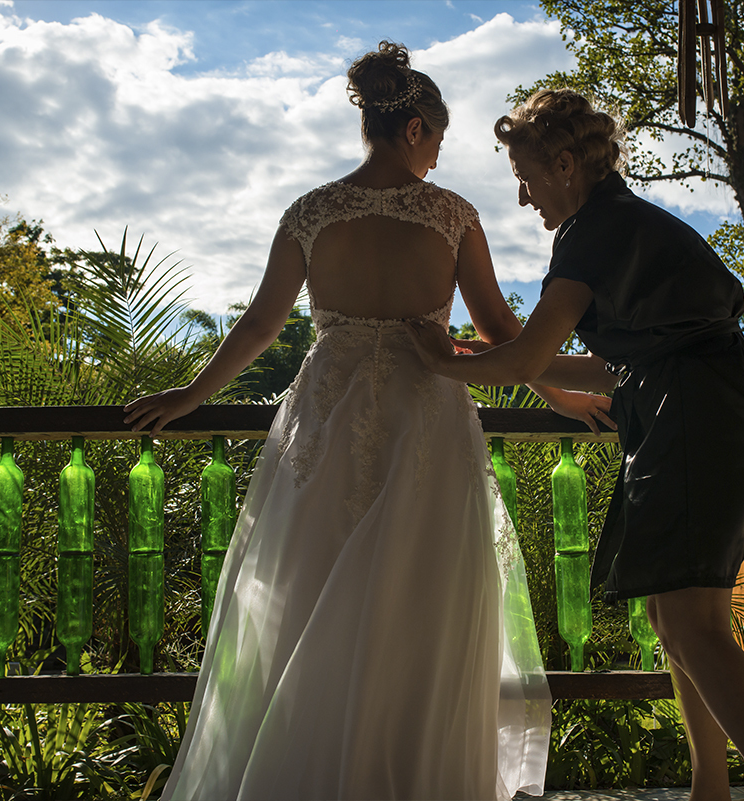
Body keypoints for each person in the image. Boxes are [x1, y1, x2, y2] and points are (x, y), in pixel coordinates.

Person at [124, 44, 603, 801]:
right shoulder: (452, 216)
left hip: (325, 420)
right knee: (423, 608)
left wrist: (191, 390)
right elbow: (509, 338)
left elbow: (256, 326)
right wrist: (562, 399)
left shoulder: (311, 213)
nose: (438, 160)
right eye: (439, 143)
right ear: (414, 128)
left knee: (305, 597)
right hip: (426, 418)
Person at [406, 89, 744, 801]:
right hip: (707, 405)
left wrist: (444, 361)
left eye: (528, 179)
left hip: (699, 417)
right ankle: (708, 787)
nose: (526, 197)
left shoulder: (593, 233)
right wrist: (478, 354)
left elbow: (528, 359)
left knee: (689, 623)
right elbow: (607, 362)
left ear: (565, 163)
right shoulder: (619, 222)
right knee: (677, 616)